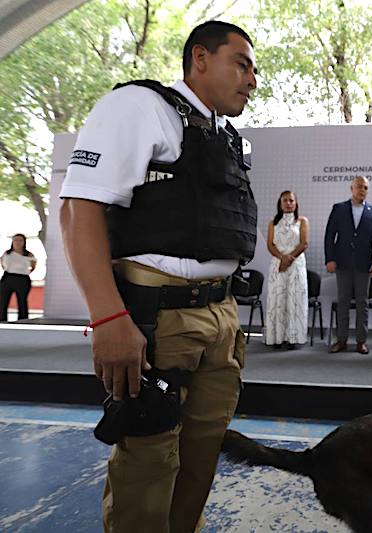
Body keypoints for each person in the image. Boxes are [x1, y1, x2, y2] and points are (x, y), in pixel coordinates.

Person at [59, 21, 258, 532]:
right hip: (158, 321)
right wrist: (108, 318)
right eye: (241, 63)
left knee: (201, 459)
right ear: (199, 58)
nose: (252, 80)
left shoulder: (222, 135)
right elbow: (79, 209)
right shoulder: (139, 108)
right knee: (148, 467)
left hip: (221, 318)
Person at [324, 176, 372, 355]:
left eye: (365, 187)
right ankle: (341, 340)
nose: (361, 190)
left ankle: (361, 341)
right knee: (343, 302)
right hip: (342, 263)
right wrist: (330, 259)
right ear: (351, 189)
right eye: (358, 187)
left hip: (364, 265)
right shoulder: (339, 208)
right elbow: (330, 236)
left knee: (362, 303)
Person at [264, 190, 308, 349]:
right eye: (285, 200)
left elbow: (304, 243)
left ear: (296, 203)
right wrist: (282, 258)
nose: (288, 203)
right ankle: (277, 337)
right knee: (278, 300)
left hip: (296, 265)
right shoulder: (272, 223)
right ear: (280, 203)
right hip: (277, 263)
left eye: (291, 200)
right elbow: (270, 244)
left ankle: (293, 338)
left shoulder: (302, 221)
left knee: (294, 301)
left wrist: (289, 258)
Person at [0, 234, 37, 322]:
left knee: (22, 301)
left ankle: (23, 320)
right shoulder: (7, 253)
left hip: (22, 279)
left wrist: (23, 272)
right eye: (15, 240)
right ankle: (2, 320)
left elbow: (33, 266)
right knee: (2, 301)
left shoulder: (28, 254)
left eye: (20, 240)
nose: (18, 242)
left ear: (24, 242)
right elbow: (2, 264)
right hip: (8, 277)